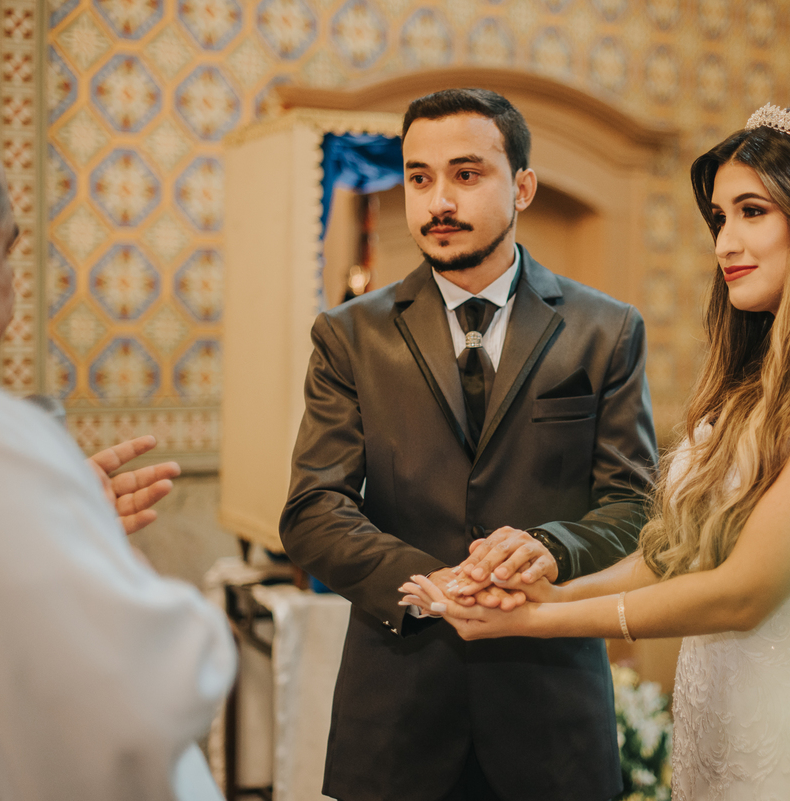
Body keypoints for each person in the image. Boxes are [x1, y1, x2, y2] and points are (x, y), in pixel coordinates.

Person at [403, 105, 790, 800]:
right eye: (719, 218)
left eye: (752, 211)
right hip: (722, 723)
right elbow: (680, 554)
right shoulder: (752, 388)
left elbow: (746, 590)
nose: (725, 243)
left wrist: (539, 620)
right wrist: (554, 587)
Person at [278, 89, 658, 801]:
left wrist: (555, 545)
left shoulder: (607, 331)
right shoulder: (349, 336)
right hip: (397, 720)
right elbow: (313, 510)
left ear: (523, 187)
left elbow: (636, 504)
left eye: (466, 174)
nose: (437, 200)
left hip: (550, 719)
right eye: (419, 178)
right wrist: (433, 583)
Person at [0, 122, 236, 801]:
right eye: (2, 256)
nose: (12, 293)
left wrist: (54, 521)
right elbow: (152, 688)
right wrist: (88, 536)